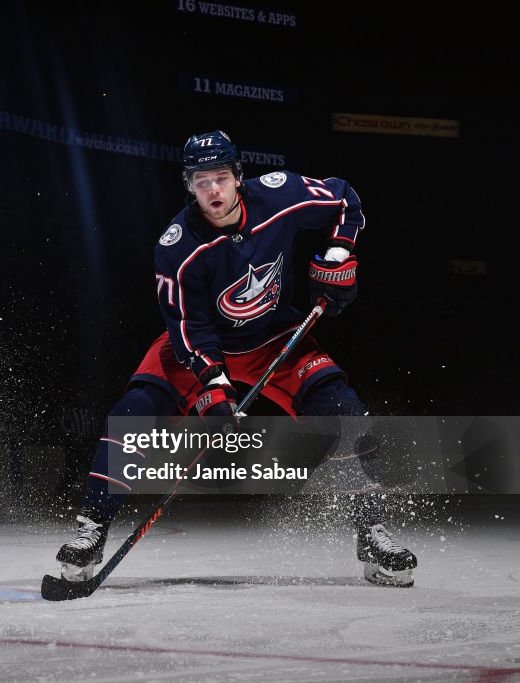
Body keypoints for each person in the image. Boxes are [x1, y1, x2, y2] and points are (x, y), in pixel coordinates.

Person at [55, 130, 418, 588]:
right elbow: (189, 327)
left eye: (221, 178)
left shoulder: (280, 194)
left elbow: (344, 198)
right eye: (201, 180)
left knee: (344, 414)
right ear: (188, 185)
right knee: (132, 414)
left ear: (238, 178)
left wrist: (338, 251)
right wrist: (214, 384)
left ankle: (372, 534)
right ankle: (91, 531)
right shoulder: (177, 246)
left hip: (274, 337)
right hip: (203, 348)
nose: (213, 190)